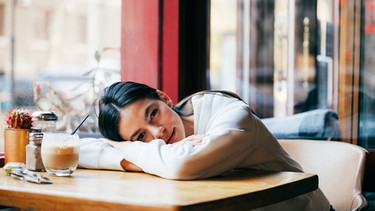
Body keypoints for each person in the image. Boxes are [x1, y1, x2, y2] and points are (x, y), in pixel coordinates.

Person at [79, 81, 332, 211]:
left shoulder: (233, 117)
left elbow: (180, 164)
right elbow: (82, 150)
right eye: (141, 136)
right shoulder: (164, 148)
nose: (158, 133)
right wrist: (130, 155)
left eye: (153, 113)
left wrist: (128, 147)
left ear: (164, 97)